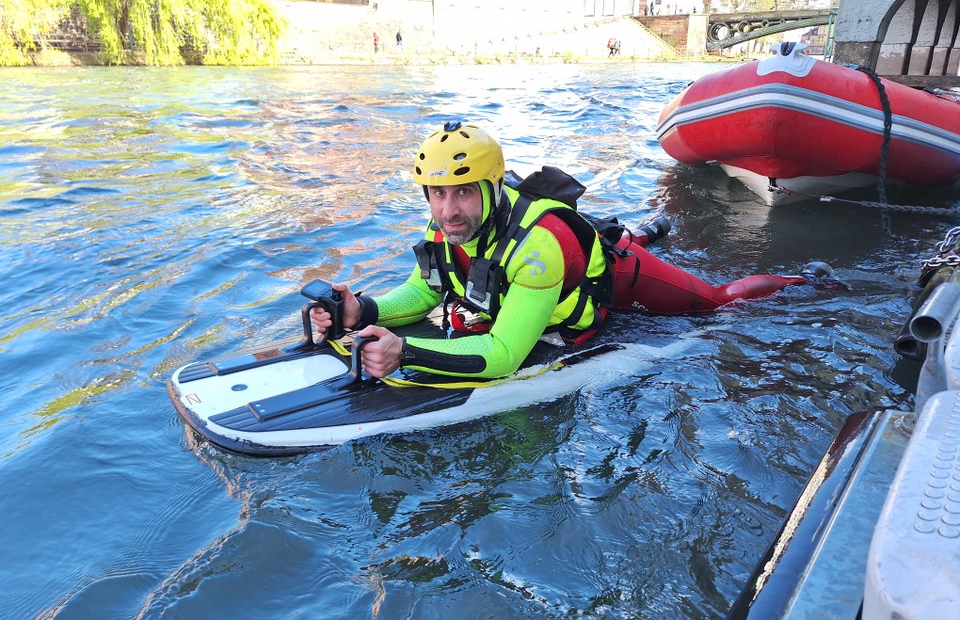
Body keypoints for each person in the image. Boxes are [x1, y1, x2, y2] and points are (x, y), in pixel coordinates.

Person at [311, 123, 810, 380]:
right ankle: (645, 230)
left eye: (462, 191)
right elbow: (425, 290)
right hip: (552, 270)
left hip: (619, 279)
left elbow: (504, 356)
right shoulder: (446, 225)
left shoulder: (537, 249)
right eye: (437, 193)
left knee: (717, 302)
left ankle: (809, 279)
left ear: (490, 187)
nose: (448, 211)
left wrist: (408, 352)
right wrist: (363, 308)